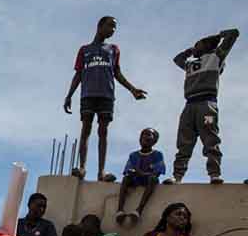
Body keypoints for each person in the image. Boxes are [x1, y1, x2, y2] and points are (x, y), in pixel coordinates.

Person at [64, 16, 147, 182]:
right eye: (110, 26)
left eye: (115, 27)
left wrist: (132, 89)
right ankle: (82, 167)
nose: (113, 30)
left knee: (103, 131)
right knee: (85, 129)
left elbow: (117, 73)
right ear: (100, 26)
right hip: (88, 94)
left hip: (106, 95)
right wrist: (69, 95)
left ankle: (101, 172)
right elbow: (78, 74)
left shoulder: (113, 49)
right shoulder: (84, 50)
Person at [164, 28, 240, 185]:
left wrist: (217, 36)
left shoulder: (216, 57)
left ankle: (214, 173)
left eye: (197, 44)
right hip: (189, 105)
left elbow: (233, 34)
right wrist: (190, 50)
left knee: (210, 138)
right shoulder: (191, 64)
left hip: (207, 105)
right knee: (184, 141)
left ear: (206, 45)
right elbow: (177, 59)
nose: (194, 47)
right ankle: (177, 176)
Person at [116, 128, 166, 224]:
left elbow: (157, 171)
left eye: (149, 135)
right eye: (143, 134)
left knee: (153, 179)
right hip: (136, 179)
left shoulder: (157, 154)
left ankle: (138, 210)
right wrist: (133, 172)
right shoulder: (133, 155)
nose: (145, 137)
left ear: (154, 141)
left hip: (148, 180)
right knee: (126, 179)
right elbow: (128, 170)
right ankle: (120, 210)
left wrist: (140, 173)